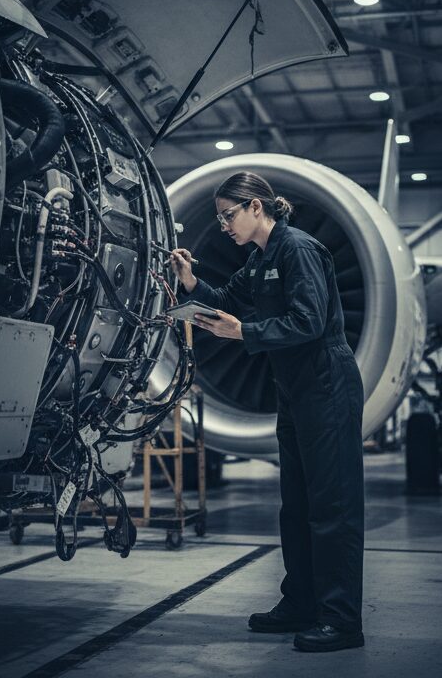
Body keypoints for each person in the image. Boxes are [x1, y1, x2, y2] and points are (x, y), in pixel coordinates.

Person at [169, 171, 366, 653]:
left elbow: (308, 321)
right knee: (296, 507)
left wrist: (245, 333)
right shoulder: (258, 260)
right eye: (218, 219)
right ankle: (300, 602)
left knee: (332, 508)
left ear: (256, 206)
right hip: (295, 389)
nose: (224, 226)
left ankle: (341, 621)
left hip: (326, 383)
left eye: (228, 215)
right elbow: (225, 302)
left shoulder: (297, 248)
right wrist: (191, 282)